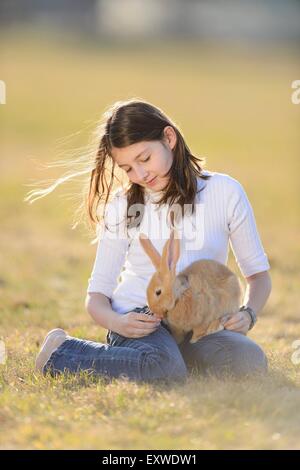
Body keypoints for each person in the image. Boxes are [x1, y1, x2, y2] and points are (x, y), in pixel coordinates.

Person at [33, 98, 272, 383]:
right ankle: (63, 352)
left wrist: (248, 315)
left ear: (168, 138)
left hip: (202, 324)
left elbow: (258, 276)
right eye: (128, 168)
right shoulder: (122, 207)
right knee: (164, 369)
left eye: (144, 159)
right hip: (143, 318)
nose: (141, 175)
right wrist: (117, 322)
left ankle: (163, 360)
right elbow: (96, 297)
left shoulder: (226, 192)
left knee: (248, 360)